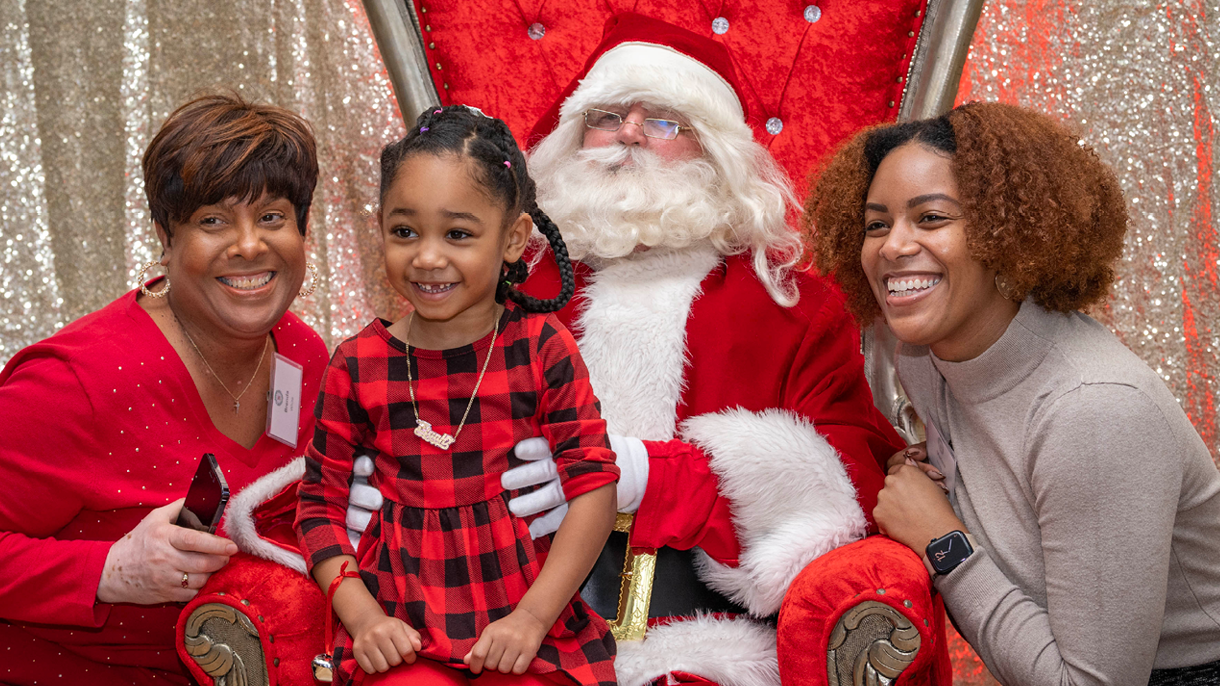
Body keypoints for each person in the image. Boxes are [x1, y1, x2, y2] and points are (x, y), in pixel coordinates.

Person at [496, 13, 908, 686]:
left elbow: (851, 481)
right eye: (606, 115)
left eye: (662, 121)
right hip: (511, 625)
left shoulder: (792, 308)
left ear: (714, 156)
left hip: (709, 648)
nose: (627, 133)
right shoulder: (507, 289)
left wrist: (664, 481)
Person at [806, 101, 1220, 686]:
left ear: (1008, 231)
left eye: (930, 218)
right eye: (877, 224)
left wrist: (943, 542)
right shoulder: (924, 360)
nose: (893, 246)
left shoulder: (1094, 409)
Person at [0, 94, 328, 684]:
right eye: (213, 221)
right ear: (165, 236)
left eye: (273, 217)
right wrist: (109, 569)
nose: (249, 245)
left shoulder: (303, 353)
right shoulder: (76, 381)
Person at [293, 105, 620, 686]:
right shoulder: (357, 363)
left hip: (526, 628)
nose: (427, 257)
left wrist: (532, 618)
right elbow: (318, 504)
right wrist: (364, 619)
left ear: (514, 238)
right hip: (402, 629)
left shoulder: (542, 347)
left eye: (459, 234)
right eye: (404, 231)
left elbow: (593, 485)